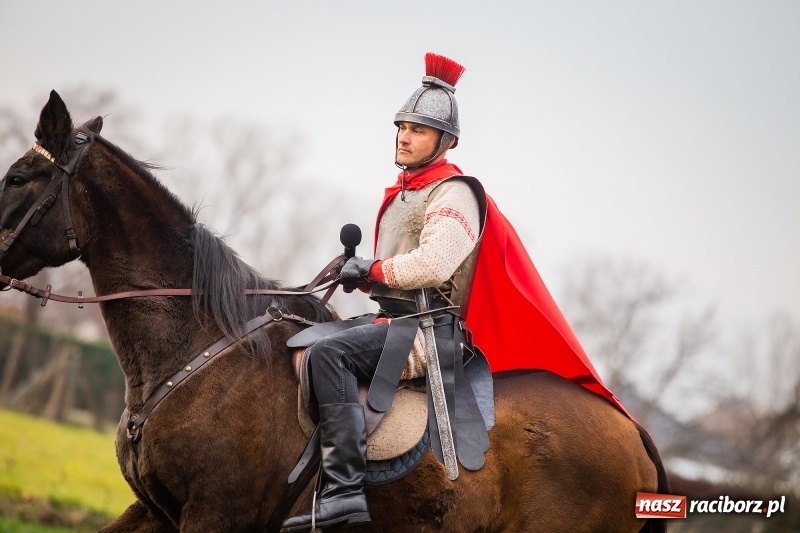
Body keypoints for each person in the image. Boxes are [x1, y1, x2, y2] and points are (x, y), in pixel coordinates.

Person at [281, 52, 627, 532]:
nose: (404, 137)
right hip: (393, 323)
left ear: (446, 141)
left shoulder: (454, 192)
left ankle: (343, 493)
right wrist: (363, 277)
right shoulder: (404, 193)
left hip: (427, 334)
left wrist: (375, 268)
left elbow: (433, 265)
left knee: (329, 356)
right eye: (402, 127)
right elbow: (399, 275)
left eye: (418, 130)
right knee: (301, 340)